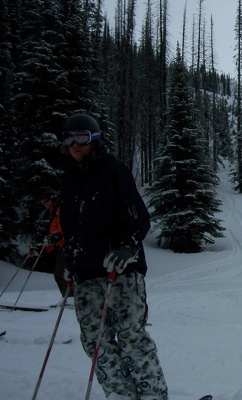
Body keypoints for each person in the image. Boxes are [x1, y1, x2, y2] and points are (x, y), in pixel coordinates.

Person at [59, 113, 168, 400]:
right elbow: (71, 228)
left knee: (132, 338)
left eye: (80, 136)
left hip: (119, 272)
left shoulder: (112, 170)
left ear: (94, 138)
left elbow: (139, 217)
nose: (74, 144)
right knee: (95, 343)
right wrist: (70, 260)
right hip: (86, 277)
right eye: (68, 138)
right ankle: (122, 395)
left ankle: (154, 396)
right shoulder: (68, 180)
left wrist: (128, 247)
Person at [37, 187, 72, 304]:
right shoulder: (53, 213)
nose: (44, 205)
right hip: (62, 246)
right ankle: (67, 298)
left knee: (64, 273)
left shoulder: (63, 209)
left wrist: (58, 236)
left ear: (53, 198)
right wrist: (47, 244)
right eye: (42, 203)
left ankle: (70, 299)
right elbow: (53, 232)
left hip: (70, 245)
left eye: (46, 202)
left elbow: (67, 226)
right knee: (58, 274)